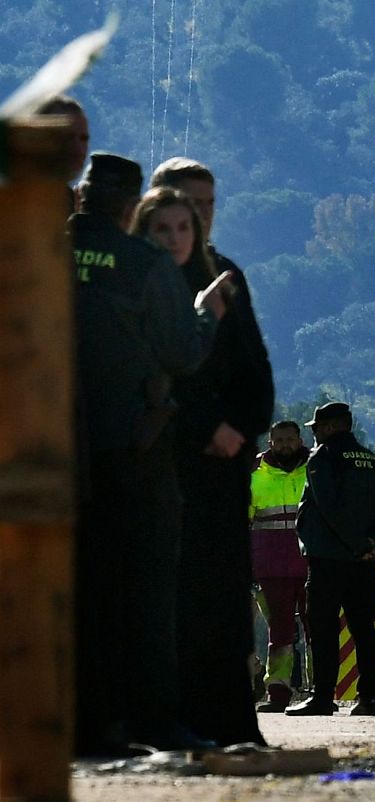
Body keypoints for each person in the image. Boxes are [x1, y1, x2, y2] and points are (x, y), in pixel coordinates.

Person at [70, 152, 226, 755]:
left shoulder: (40, 247)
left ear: (82, 195)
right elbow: (181, 352)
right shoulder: (143, 262)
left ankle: (84, 723)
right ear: (131, 206)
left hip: (54, 449)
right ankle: (152, 720)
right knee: (146, 589)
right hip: (132, 447)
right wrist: (206, 315)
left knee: (76, 587)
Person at [145, 160, 277, 746]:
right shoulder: (148, 279)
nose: (199, 216)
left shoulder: (227, 277)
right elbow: (160, 372)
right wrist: (204, 427)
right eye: (187, 205)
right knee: (176, 595)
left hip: (226, 465)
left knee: (226, 595)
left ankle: (232, 720)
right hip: (171, 459)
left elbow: (254, 369)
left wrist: (242, 429)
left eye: (208, 204)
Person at [289, 403, 375, 716]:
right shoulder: (374, 462)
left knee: (323, 629)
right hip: (362, 562)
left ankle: (323, 697)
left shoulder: (323, 458)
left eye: (316, 428)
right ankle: (368, 699)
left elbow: (328, 507)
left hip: (327, 559)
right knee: (364, 629)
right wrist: (371, 542)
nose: (314, 434)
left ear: (329, 427)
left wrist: (355, 544)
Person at [249, 421, 311, 712]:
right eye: (279, 440)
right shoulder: (255, 474)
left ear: (300, 440)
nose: (285, 445)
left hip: (311, 564)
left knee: (317, 630)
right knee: (279, 633)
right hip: (271, 567)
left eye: (290, 439)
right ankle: (278, 691)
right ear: (270, 442)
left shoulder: (315, 468)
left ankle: (321, 691)